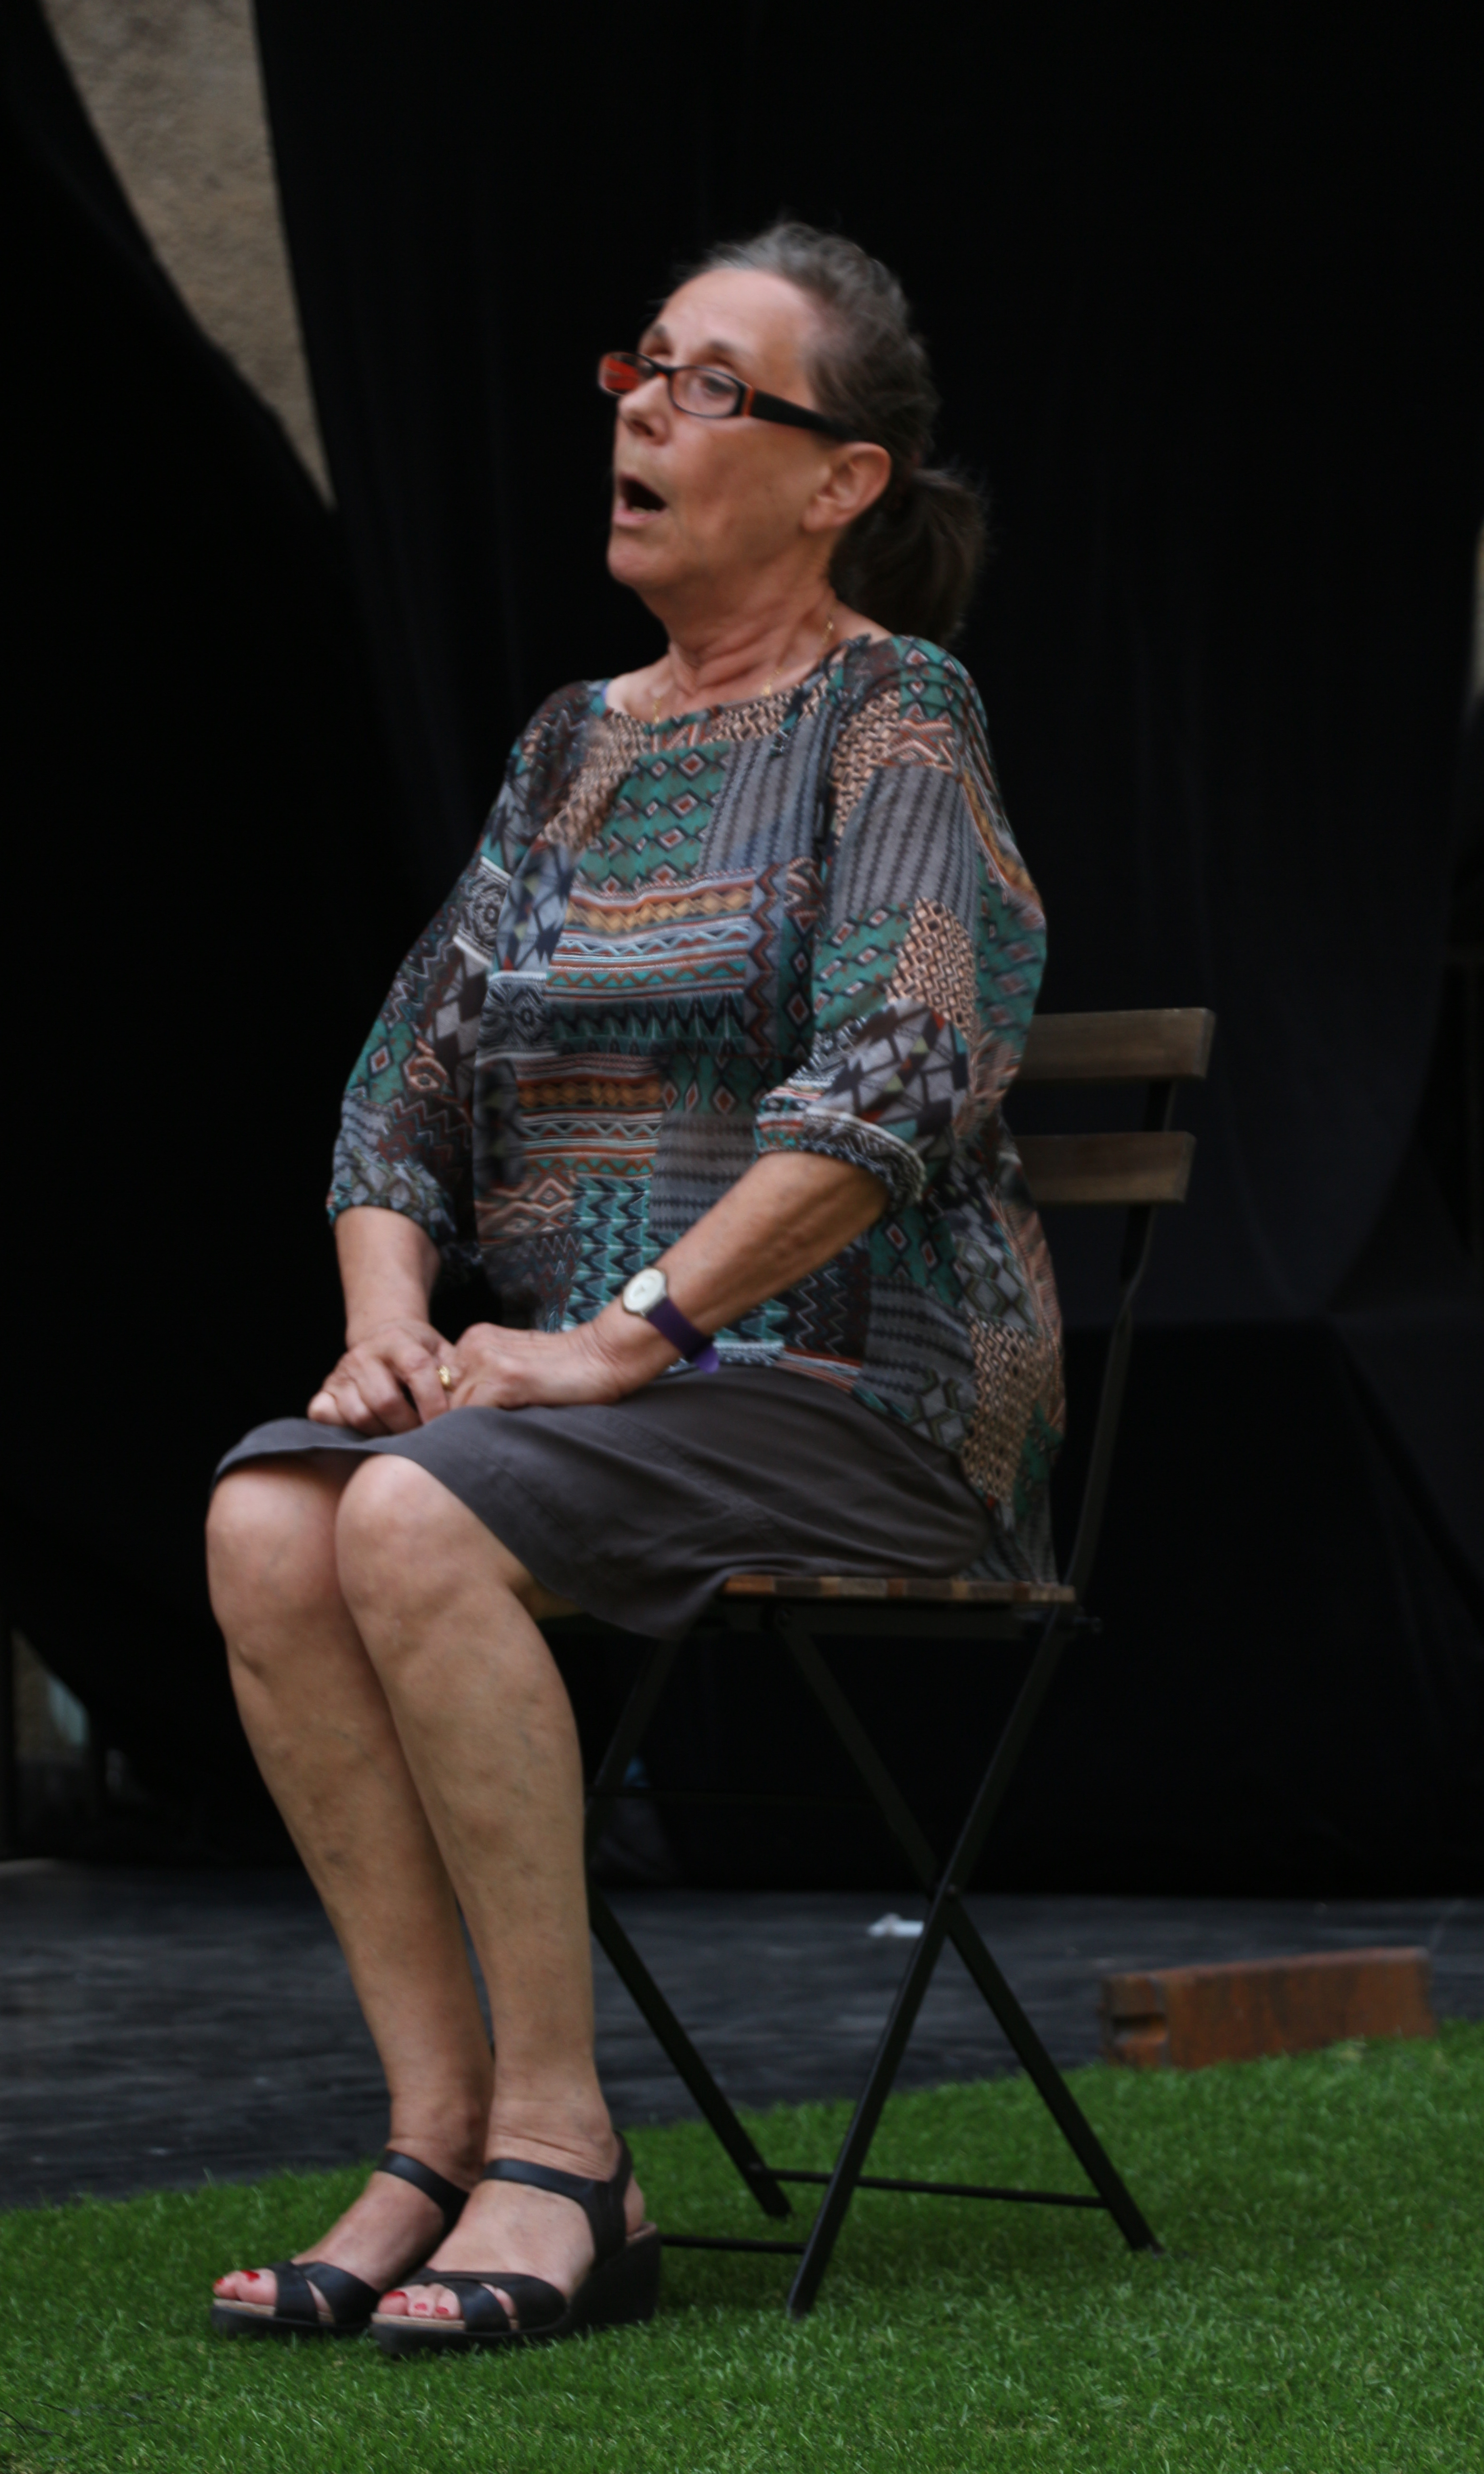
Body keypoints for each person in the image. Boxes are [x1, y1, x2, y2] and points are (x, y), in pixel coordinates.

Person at [206, 222, 1062, 2355]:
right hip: (582, 1405)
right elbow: (400, 1089)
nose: (645, 413)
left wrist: (621, 1339)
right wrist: (388, 1322)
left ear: (841, 479)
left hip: (863, 1387)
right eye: (642, 369)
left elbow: (897, 1080)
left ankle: (568, 2153)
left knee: (412, 1518)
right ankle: (437, 2138)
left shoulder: (895, 715)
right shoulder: (574, 746)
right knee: (271, 1516)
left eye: (711, 385)